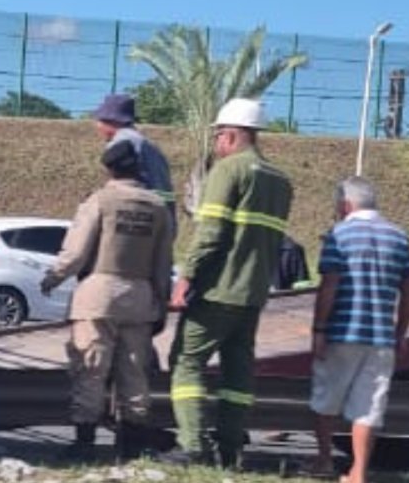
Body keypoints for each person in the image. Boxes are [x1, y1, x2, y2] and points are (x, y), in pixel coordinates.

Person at [161, 97, 294, 469]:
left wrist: (185, 277)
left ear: (232, 136)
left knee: (187, 361)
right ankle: (231, 449)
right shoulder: (280, 181)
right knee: (238, 371)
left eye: (219, 136)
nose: (217, 144)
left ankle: (193, 447)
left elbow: (211, 233)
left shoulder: (230, 170)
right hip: (253, 294)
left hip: (218, 289)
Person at [40, 140, 174, 461]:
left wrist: (52, 278)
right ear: (138, 168)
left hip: (97, 297)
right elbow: (163, 263)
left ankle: (84, 444)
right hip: (140, 299)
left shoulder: (99, 202)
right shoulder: (157, 208)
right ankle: (132, 448)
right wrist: (161, 301)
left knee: (91, 369)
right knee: (135, 374)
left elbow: (75, 253)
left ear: (108, 167)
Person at [307, 177, 409, 483]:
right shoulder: (399, 236)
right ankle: (359, 472)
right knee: (368, 407)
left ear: (345, 205)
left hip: (342, 332)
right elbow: (408, 292)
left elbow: (329, 285)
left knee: (326, 397)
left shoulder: (338, 234)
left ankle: (325, 459)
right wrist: (400, 333)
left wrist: (318, 329)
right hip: (381, 337)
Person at [92, 93, 176, 217]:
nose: (97, 126)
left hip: (138, 215)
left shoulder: (121, 144)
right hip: (161, 217)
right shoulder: (149, 146)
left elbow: (120, 188)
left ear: (111, 120)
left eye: (99, 121)